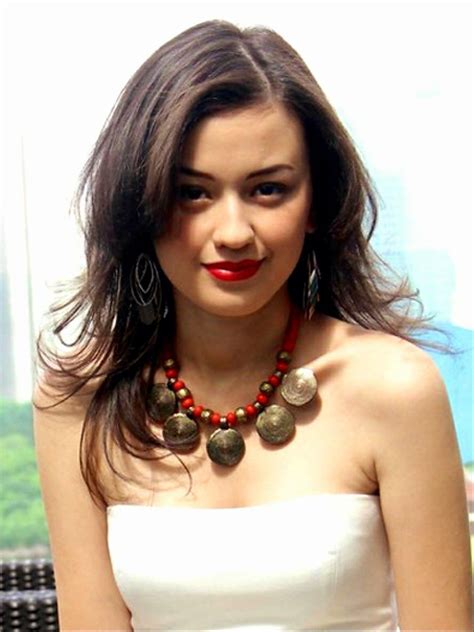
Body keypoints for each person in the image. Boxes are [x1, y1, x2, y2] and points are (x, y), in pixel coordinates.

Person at [32, 19, 472, 632]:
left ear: (316, 202)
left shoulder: (395, 389)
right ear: (141, 203)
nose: (234, 232)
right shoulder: (79, 400)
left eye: (268, 189)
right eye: (192, 194)